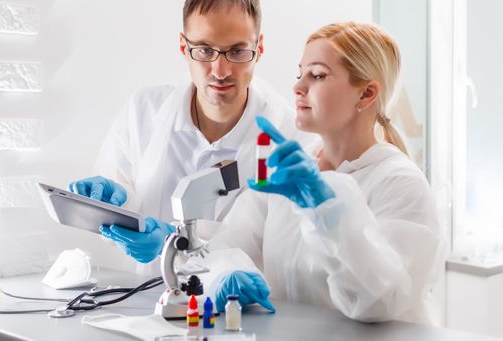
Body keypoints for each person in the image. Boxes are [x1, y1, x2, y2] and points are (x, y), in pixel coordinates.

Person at [188, 22, 445, 325]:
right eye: (300, 74)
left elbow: (379, 301)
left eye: (318, 75)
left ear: (366, 94)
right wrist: (227, 272)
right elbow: (225, 246)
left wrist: (330, 210)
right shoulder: (289, 170)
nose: (298, 87)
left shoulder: (400, 183)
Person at [68, 0, 308, 264]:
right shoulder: (144, 111)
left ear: (258, 48)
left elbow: (274, 246)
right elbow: (118, 211)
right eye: (205, 50)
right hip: (144, 298)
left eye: (237, 52)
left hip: (238, 301)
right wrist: (112, 203)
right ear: (184, 46)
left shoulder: (290, 136)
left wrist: (177, 242)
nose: (221, 71)